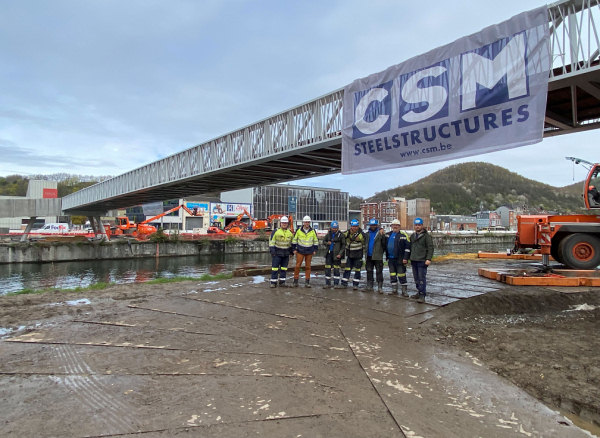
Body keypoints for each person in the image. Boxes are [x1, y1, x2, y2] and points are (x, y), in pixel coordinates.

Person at [409, 217, 434, 303]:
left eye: (419, 225)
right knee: (416, 278)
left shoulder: (427, 237)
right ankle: (419, 292)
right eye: (416, 225)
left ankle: (422, 295)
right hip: (414, 260)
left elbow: (430, 248)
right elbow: (410, 247)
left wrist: (428, 259)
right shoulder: (412, 236)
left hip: (422, 260)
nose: (417, 227)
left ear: (422, 226)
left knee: (421, 278)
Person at [386, 219, 410, 296]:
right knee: (392, 275)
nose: (395, 226)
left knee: (401, 274)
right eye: (394, 225)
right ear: (391, 226)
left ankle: (404, 291)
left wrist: (405, 258)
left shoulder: (403, 235)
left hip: (400, 259)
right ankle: (394, 290)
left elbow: (408, 248)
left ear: (399, 226)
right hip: (390, 259)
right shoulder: (387, 235)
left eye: (397, 225)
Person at [339, 219, 366, 290]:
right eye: (353, 226)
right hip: (350, 255)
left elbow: (364, 241)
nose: (354, 228)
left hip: (358, 254)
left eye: (356, 226)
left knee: (357, 270)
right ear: (351, 226)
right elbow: (341, 236)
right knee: (347, 269)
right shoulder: (347, 233)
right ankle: (344, 283)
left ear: (358, 226)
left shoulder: (361, 234)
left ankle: (355, 285)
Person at [292, 216, 319, 288]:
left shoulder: (313, 231)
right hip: (300, 251)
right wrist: (294, 249)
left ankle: (307, 282)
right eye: (306, 222)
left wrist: (315, 249)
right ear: (303, 223)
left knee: (308, 267)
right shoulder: (298, 230)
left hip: (309, 251)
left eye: (308, 222)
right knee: (298, 266)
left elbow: (315, 241)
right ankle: (295, 281)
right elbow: (294, 240)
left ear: (309, 223)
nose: (307, 223)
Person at [268, 216, 294, 288]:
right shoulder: (275, 231)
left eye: (285, 223)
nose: (284, 224)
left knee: (284, 269)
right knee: (275, 268)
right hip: (277, 253)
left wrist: (291, 252)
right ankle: (273, 282)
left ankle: (282, 282)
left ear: (287, 224)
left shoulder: (290, 233)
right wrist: (272, 251)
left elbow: (292, 243)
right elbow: (271, 242)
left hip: (286, 253)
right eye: (283, 223)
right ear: (280, 223)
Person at [364, 218, 387, 293]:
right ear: (369, 225)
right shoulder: (367, 234)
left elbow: (384, 244)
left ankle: (380, 287)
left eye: (374, 225)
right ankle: (369, 285)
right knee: (369, 271)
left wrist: (381, 252)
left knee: (379, 271)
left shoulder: (381, 233)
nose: (373, 226)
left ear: (377, 225)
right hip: (369, 256)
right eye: (371, 225)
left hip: (378, 256)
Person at [322, 221, 345, 289]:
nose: (334, 229)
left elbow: (343, 246)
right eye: (333, 228)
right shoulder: (329, 234)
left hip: (337, 254)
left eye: (335, 228)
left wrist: (340, 254)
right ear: (331, 228)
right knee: (327, 269)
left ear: (337, 228)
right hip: (329, 253)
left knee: (336, 269)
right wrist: (327, 243)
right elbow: (324, 241)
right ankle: (328, 283)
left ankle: (336, 283)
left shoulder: (341, 235)